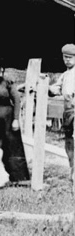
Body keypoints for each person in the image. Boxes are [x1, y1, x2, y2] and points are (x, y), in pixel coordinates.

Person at [47, 43, 75, 174]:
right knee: (69, 140)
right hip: (68, 111)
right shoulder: (65, 74)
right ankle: (72, 167)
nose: (67, 60)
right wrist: (47, 88)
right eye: (65, 57)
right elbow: (56, 88)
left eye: (70, 57)